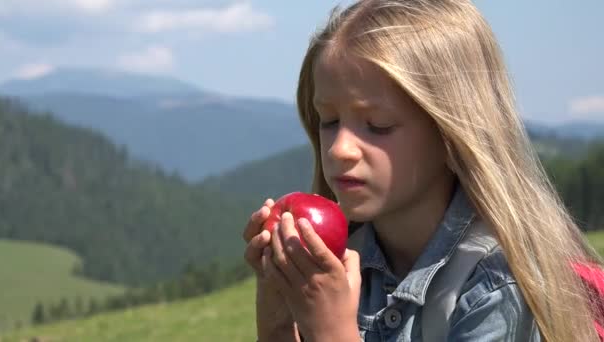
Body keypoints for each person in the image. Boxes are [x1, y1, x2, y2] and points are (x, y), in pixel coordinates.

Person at [243, 0, 603, 341]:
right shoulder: (337, 261)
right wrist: (277, 320)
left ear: (451, 134)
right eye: (329, 121)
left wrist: (332, 331)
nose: (339, 148)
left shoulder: (497, 285)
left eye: (379, 125)